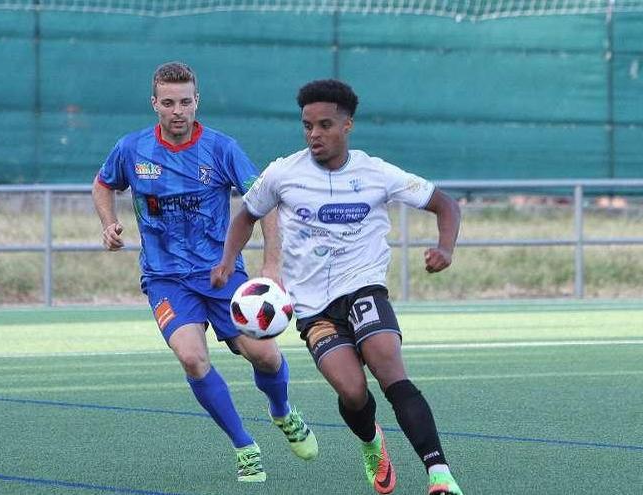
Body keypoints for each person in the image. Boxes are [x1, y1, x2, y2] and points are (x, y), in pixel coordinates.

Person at [211, 79, 464, 495]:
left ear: (348, 125)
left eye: (325, 125)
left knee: (389, 367)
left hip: (363, 288)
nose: (314, 135)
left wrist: (445, 248)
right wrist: (226, 264)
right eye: (307, 125)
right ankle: (371, 442)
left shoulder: (376, 173)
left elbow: (446, 204)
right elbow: (245, 216)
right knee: (352, 391)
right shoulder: (282, 173)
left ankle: (440, 475)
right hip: (311, 307)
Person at [91, 61, 318, 483]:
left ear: (197, 101)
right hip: (165, 279)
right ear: (154, 104)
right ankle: (244, 446)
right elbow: (104, 184)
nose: (178, 111)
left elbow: (264, 199)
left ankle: (283, 413)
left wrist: (271, 265)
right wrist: (108, 223)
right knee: (193, 359)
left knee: (265, 356)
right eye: (168, 103)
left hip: (222, 274)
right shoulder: (132, 149)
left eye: (186, 101)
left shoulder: (221, 149)